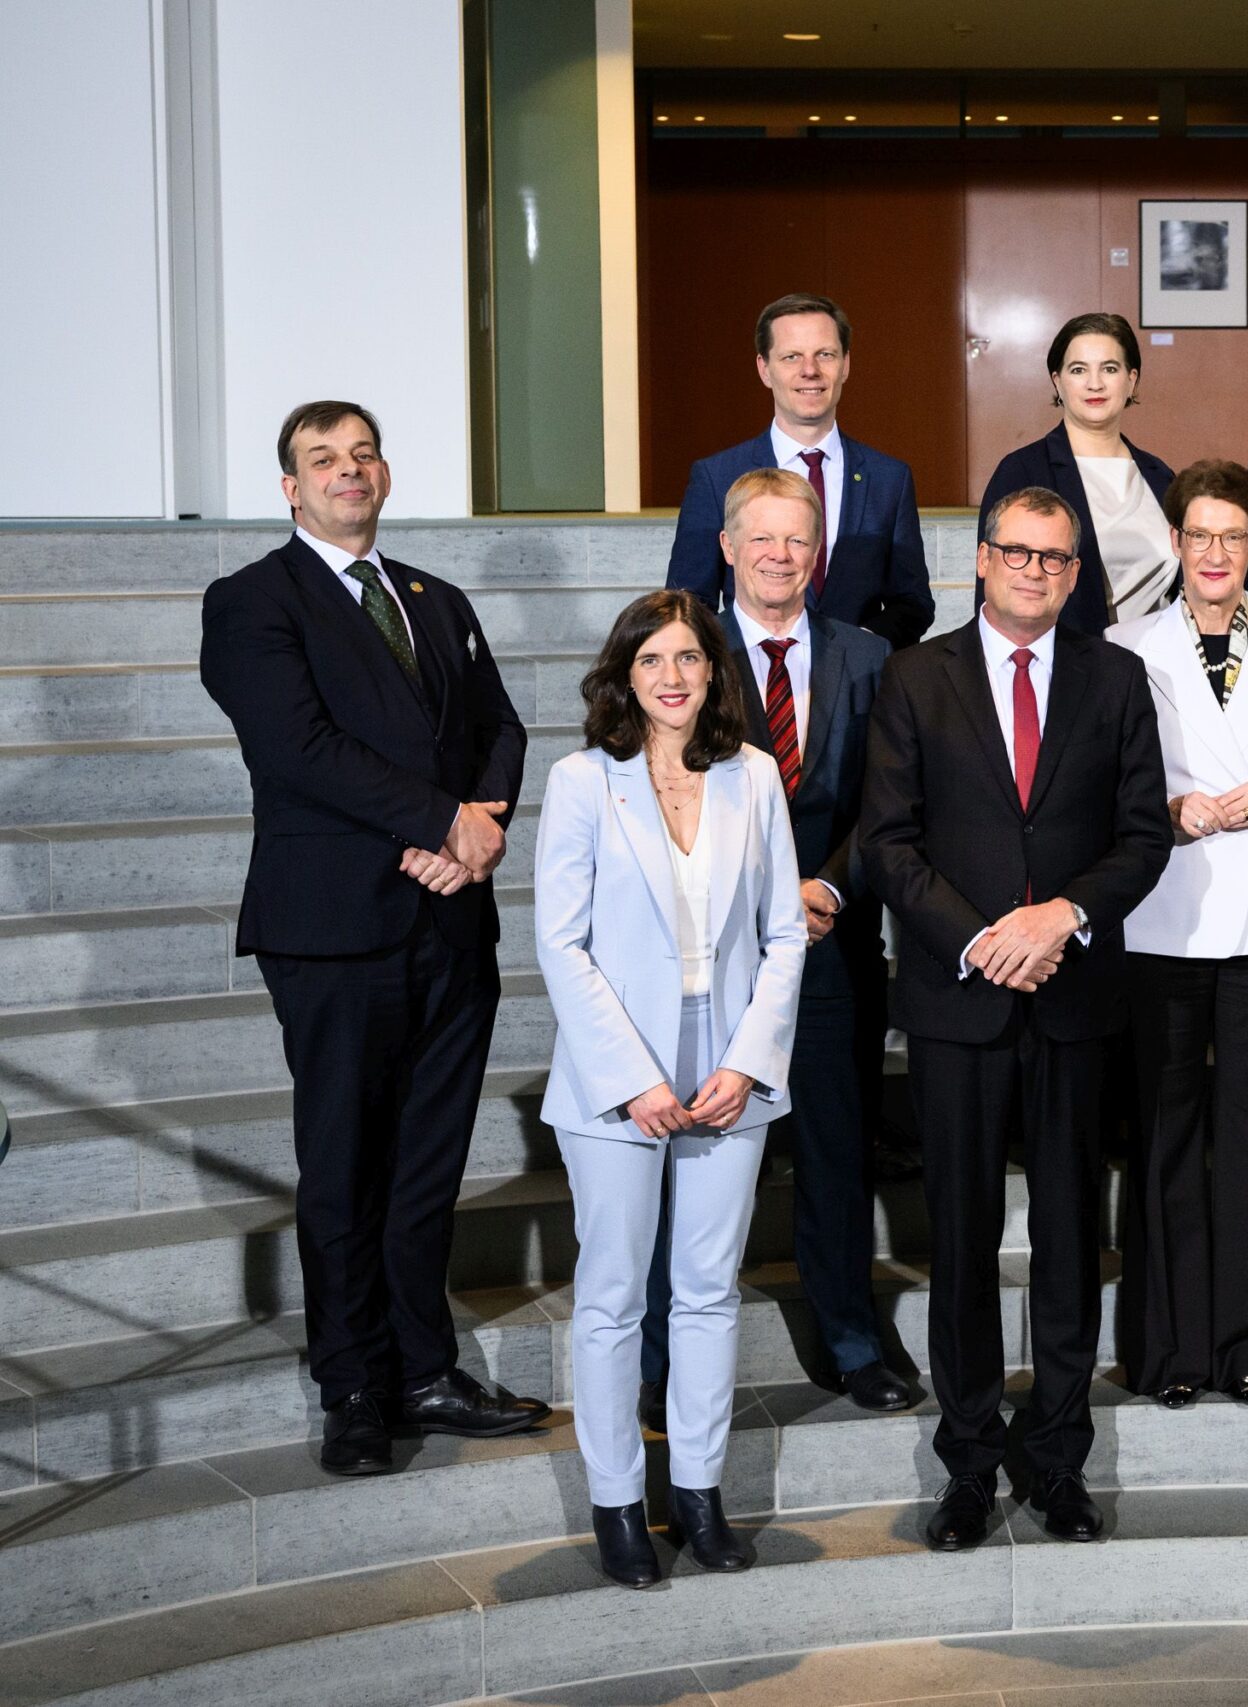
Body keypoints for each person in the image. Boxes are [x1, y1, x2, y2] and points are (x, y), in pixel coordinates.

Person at [200, 401, 546, 1479]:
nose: (348, 472)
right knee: (346, 1165)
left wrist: (477, 826)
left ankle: (426, 1369)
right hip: (335, 928)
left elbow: (499, 726)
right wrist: (438, 819)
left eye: (362, 455)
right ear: (291, 489)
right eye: (322, 461)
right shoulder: (253, 600)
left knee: (425, 1166)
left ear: (385, 474)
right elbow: (297, 747)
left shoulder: (434, 600)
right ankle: (352, 1382)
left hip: (449, 916)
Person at [859, 486, 1172, 1551]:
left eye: (1054, 558)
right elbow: (890, 844)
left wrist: (1062, 917)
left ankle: (1056, 1459)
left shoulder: (1116, 678)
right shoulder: (915, 678)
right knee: (960, 1240)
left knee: (1070, 1240)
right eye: (1016, 553)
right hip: (959, 1003)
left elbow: (1141, 838)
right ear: (979, 561)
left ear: (1075, 573)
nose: (1034, 571)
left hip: (1075, 998)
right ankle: (969, 1461)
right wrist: (986, 936)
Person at [533, 589, 807, 1588]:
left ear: (711, 670)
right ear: (625, 675)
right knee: (610, 1298)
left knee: (705, 1293)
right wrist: (636, 1079)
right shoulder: (579, 781)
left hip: (731, 1063)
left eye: (689, 657)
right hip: (618, 1073)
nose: (674, 676)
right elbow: (558, 943)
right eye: (652, 660)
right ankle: (616, 1503)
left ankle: (697, 1491)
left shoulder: (753, 776)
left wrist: (744, 1061)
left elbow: (783, 933)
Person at [636, 469, 918, 1422]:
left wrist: (829, 885)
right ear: (727, 547)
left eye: (798, 540)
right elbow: (663, 794)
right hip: (707, 949)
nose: (780, 556)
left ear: (819, 552)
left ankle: (850, 1337)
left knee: (837, 1152)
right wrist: (768, 890)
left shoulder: (869, 656)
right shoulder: (682, 654)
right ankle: (662, 1350)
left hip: (831, 941)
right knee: (695, 1155)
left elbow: (891, 801)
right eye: (762, 538)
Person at [1108, 459, 1248, 1409]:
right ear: (1175, 542)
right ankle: (1167, 1349)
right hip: (1160, 914)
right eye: (1197, 535)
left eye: (1231, 537)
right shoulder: (1125, 645)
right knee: (1163, 1138)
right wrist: (1166, 806)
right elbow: (1106, 780)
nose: (1213, 553)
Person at [666, 291, 934, 649]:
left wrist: (859, 648)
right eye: (792, 357)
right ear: (764, 368)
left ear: (846, 365)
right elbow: (688, 603)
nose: (810, 370)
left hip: (858, 695)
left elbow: (912, 603)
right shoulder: (717, 477)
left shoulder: (889, 479)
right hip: (751, 688)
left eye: (825, 355)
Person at [980, 312, 1178, 635]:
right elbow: (993, 596)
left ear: (1132, 380)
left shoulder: (1160, 476)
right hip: (1070, 673)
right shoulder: (1023, 471)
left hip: (1160, 671)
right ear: (1057, 382)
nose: (1094, 383)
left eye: (1110, 369)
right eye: (1078, 369)